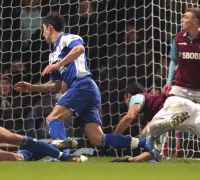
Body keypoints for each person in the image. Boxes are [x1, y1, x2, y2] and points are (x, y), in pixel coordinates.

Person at [15, 13, 157, 158]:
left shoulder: (68, 38)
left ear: (50, 28)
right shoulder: (53, 55)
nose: (43, 33)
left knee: (52, 119)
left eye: (43, 28)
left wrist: (58, 64)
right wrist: (33, 87)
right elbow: (56, 85)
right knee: (97, 139)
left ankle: (64, 156)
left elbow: (80, 49)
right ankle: (143, 143)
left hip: (82, 84)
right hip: (85, 90)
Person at [163, 8, 200, 103]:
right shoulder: (178, 38)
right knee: (171, 113)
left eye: (185, 17)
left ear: (195, 22)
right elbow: (174, 60)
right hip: (181, 88)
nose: (181, 20)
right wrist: (169, 82)